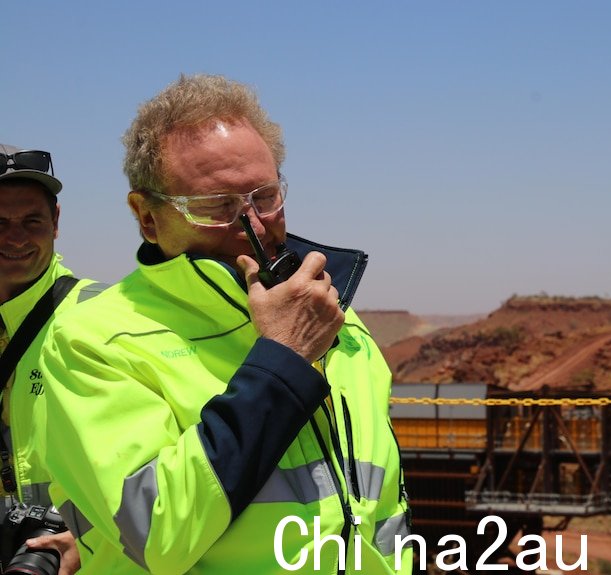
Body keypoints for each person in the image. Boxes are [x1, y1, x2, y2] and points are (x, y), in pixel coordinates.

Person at [40, 75, 412, 574]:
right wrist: (282, 360)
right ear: (146, 217)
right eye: (217, 207)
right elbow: (158, 532)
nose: (253, 224)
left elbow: (383, 504)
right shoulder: (92, 342)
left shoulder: (337, 317)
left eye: (265, 195)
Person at [0, 143, 103, 574]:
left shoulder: (101, 314)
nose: (16, 238)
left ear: (56, 223)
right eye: (0, 223)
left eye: (32, 221)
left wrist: (93, 536)